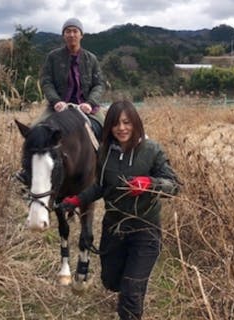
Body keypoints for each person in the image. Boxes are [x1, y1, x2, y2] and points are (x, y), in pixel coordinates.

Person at [58, 100, 180, 320]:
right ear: (109, 127)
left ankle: (133, 300)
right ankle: (131, 287)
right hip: (114, 229)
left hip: (145, 231)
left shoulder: (152, 151)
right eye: (116, 123)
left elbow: (174, 186)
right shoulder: (104, 152)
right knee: (111, 281)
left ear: (135, 123)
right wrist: (76, 200)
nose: (122, 128)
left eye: (127, 122)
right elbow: (101, 186)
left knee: (131, 291)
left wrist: (149, 184)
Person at [15, 17, 106, 186]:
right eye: (68, 31)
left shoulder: (91, 58)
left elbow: (99, 84)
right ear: (63, 35)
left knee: (108, 127)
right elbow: (46, 81)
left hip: (86, 106)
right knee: (35, 129)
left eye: (75, 31)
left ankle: (106, 167)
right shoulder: (53, 57)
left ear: (81, 35)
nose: (72, 34)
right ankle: (26, 171)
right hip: (58, 106)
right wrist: (56, 101)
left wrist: (91, 102)